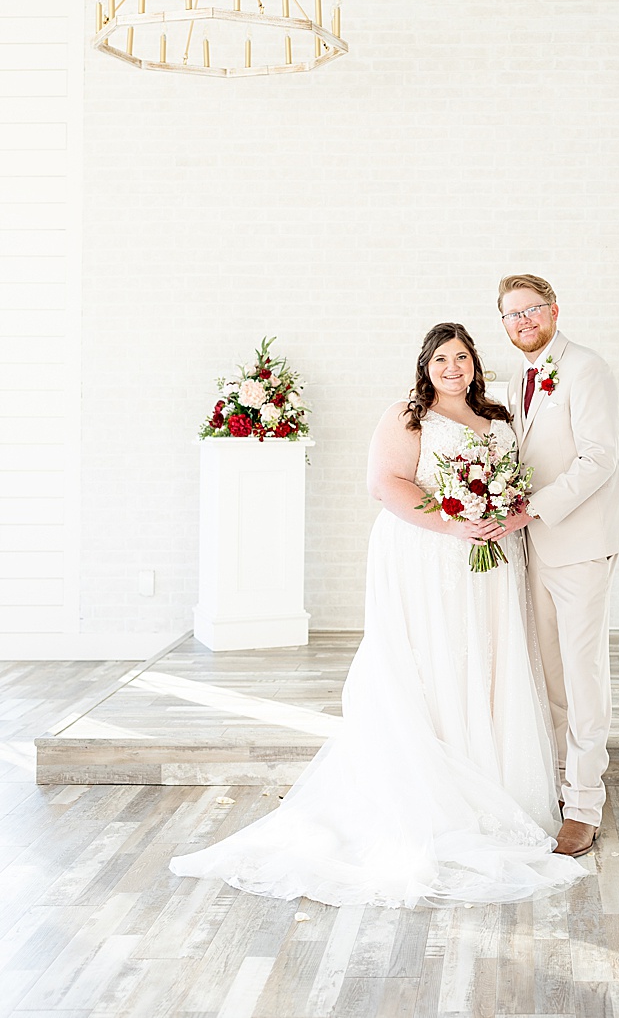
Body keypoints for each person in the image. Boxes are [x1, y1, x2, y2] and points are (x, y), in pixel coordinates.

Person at [171, 324, 583, 907]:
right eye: (441, 358)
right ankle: (433, 778)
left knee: (485, 655)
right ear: (425, 365)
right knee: (430, 656)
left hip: (488, 557)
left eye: (462, 357)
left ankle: (488, 772)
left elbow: (516, 483)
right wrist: (454, 520)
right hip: (427, 553)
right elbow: (383, 484)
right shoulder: (407, 417)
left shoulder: (497, 419)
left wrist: (499, 511)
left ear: (474, 364)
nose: (452, 367)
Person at [488, 273, 619, 859]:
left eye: (531, 310)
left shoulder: (586, 367)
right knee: (549, 672)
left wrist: (533, 509)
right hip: (535, 547)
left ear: (554, 310)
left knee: (581, 673)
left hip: (578, 542)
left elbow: (599, 457)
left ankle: (584, 805)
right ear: (503, 323)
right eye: (511, 314)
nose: (522, 321)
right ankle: (556, 781)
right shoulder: (516, 378)